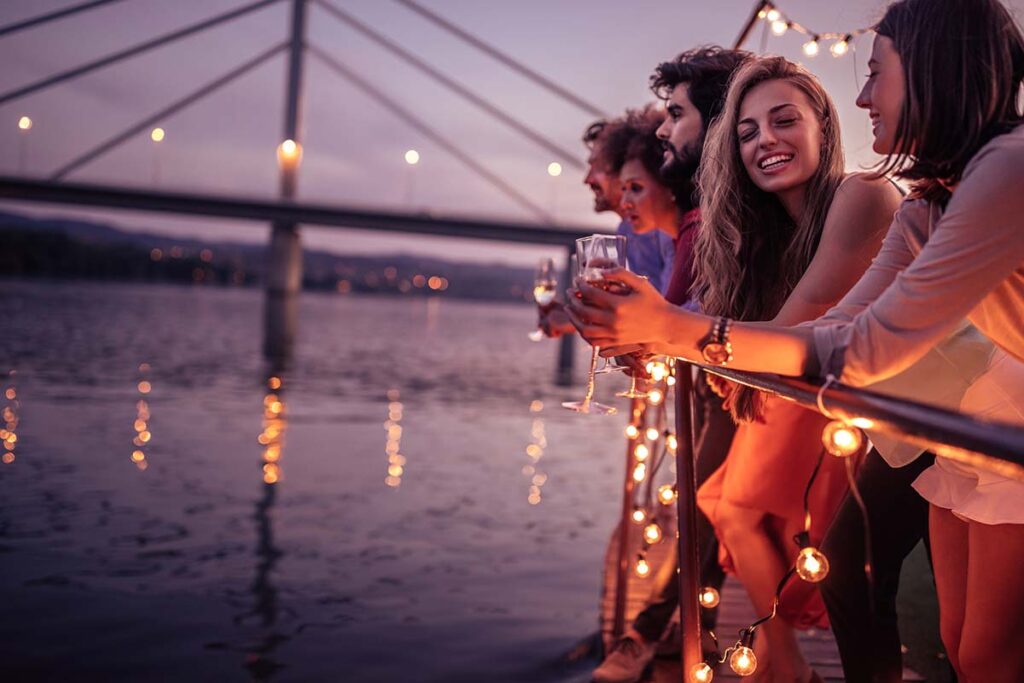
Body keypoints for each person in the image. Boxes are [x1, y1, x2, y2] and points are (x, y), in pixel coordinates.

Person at [568, 0, 1024, 680]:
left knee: (985, 651)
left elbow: (860, 347)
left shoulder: (1005, 170)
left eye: (877, 73)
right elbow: (834, 332)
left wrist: (677, 333)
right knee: (963, 647)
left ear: (935, 68)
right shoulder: (931, 199)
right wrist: (673, 337)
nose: (864, 95)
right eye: (748, 129)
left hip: (990, 416)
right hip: (967, 427)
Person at [591, 47, 750, 683]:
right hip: (713, 388)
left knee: (706, 507)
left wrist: (640, 334)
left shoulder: (708, 222)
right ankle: (692, 630)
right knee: (704, 507)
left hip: (737, 391)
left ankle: (657, 633)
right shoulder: (691, 222)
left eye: (635, 187)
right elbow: (670, 325)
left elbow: (680, 320)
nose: (624, 202)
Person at [538, 118, 675, 338]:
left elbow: (668, 313)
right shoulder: (627, 230)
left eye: (597, 166)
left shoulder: (671, 229)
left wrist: (575, 318)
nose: (587, 179)